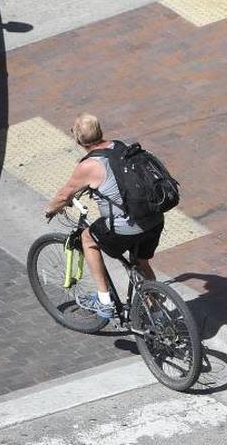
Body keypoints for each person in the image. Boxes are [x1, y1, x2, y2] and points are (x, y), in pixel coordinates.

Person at [44, 113, 164, 319]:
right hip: (154, 218)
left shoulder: (88, 166)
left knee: (88, 238)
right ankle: (159, 314)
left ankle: (104, 300)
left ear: (79, 140)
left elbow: (65, 195)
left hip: (126, 226)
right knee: (140, 263)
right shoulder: (123, 146)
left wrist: (51, 209)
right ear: (100, 131)